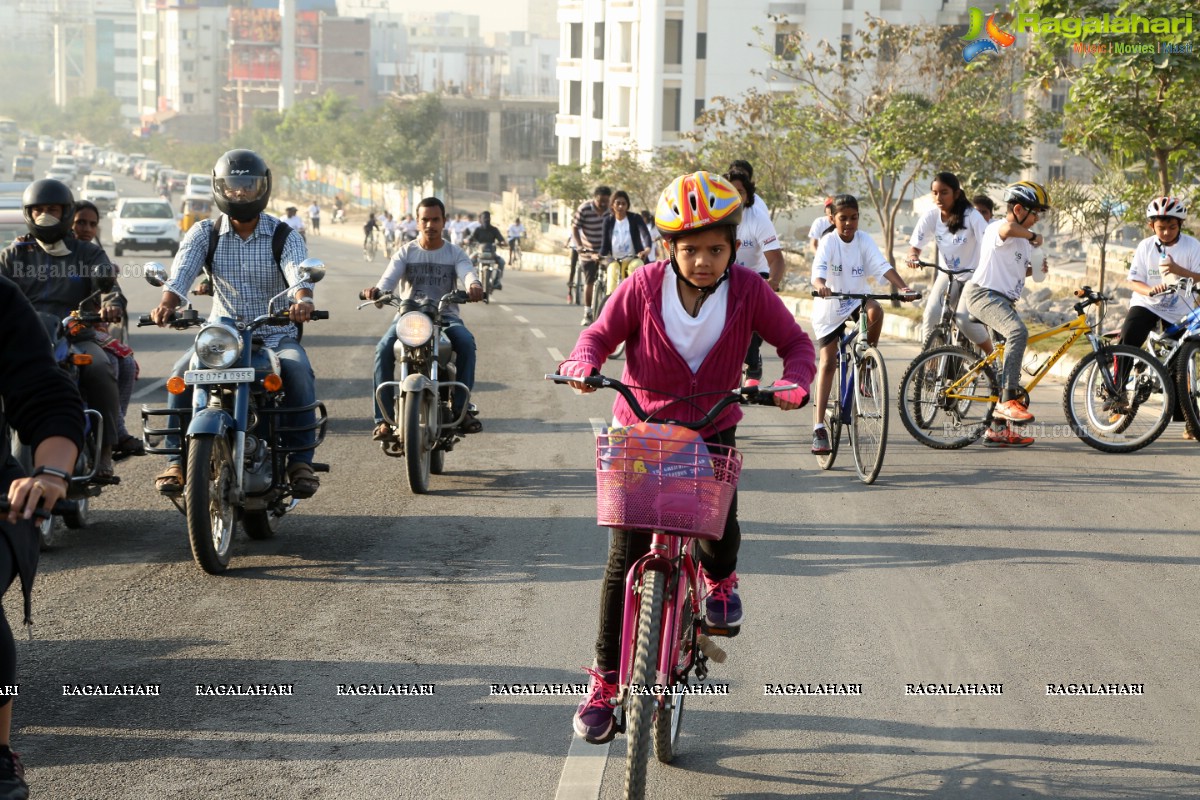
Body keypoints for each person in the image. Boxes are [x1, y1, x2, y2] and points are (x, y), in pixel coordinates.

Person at [558, 171, 815, 744]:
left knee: (718, 529)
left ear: (732, 247)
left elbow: (796, 343)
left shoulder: (750, 290)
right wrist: (583, 364)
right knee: (623, 557)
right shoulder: (642, 286)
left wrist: (795, 381)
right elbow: (598, 335)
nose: (704, 260)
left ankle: (720, 584)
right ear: (669, 248)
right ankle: (604, 681)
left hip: (711, 430)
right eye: (691, 249)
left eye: (716, 249)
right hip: (642, 435)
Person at [148, 149, 321, 497]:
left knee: (298, 369)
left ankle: (300, 460)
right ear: (219, 188)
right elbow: (181, 275)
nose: (240, 192)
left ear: (263, 188)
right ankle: (176, 462)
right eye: (233, 185)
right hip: (220, 339)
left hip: (274, 334)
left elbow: (297, 273)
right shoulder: (203, 234)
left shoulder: (283, 235)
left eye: (248, 185)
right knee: (180, 374)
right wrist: (166, 304)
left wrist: (302, 300)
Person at [1, 273, 86, 800]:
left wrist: (50, 474)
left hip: (3, 502)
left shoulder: (0, 301)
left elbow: (45, 397)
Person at [0, 179, 124, 482]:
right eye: (38, 210)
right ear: (28, 214)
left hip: (75, 335)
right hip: (24, 339)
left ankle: (105, 449)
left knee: (100, 367)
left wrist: (110, 303)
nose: (45, 215)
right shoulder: (12, 255)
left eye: (52, 210)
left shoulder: (87, 252)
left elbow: (107, 286)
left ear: (66, 212)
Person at [360, 197, 484, 439]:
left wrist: (475, 285)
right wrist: (376, 292)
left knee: (466, 342)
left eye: (435, 219)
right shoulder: (406, 252)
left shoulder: (454, 253)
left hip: (445, 318)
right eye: (425, 220)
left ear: (444, 221)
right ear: (417, 222)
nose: (430, 225)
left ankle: (462, 408)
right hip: (408, 316)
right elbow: (387, 281)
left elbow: (468, 273)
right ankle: (383, 420)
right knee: (383, 349)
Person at [810, 194, 915, 455]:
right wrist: (821, 286)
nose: (849, 223)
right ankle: (819, 428)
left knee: (876, 310)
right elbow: (817, 274)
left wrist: (903, 287)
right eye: (843, 218)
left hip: (856, 299)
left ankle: (866, 367)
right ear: (832, 219)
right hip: (831, 304)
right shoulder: (828, 242)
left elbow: (881, 266)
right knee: (828, 362)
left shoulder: (864, 240)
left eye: (853, 218)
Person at [964, 181, 1051, 447]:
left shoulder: (1024, 242)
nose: (1038, 219)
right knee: (1018, 332)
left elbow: (1028, 274)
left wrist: (1037, 266)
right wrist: (1033, 237)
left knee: (1002, 361)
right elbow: (1009, 228)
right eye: (1036, 212)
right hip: (983, 295)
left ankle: (997, 430)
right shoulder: (997, 228)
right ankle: (1007, 401)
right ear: (1018, 208)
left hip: (1002, 301)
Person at [1117, 197, 1200, 438]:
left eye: (1171, 227)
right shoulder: (1145, 246)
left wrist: (1177, 270)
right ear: (1151, 225)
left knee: (1179, 364)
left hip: (1179, 309)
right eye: (1161, 227)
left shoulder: (1192, 246)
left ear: (1180, 225)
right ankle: (1118, 393)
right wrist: (1149, 290)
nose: (1166, 232)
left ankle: (1189, 422)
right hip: (1147, 303)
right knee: (1128, 339)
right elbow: (1133, 280)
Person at [71, 200, 143, 461]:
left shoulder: (92, 254)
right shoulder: (27, 252)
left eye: (92, 224)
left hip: (82, 328)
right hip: (39, 328)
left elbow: (111, 289)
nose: (86, 228)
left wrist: (111, 304)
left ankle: (112, 435)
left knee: (119, 361)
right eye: (80, 222)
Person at [905, 172, 992, 353]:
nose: (938, 197)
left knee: (962, 319)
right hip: (947, 274)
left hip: (974, 276)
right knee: (931, 314)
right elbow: (914, 247)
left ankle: (994, 358)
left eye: (944, 192)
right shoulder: (931, 216)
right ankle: (928, 365)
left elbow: (990, 245)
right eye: (935, 193)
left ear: (957, 193)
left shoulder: (972, 216)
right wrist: (913, 257)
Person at [726, 168, 786, 388]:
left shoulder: (757, 217)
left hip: (755, 275)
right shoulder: (716, 216)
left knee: (751, 320)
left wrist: (772, 283)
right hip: (725, 275)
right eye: (729, 190)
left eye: (739, 191)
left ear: (747, 195)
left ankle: (753, 362)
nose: (734, 196)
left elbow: (777, 260)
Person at [599, 191, 652, 300]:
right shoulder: (608, 221)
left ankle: (635, 299)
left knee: (636, 267)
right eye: (618, 203)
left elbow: (646, 235)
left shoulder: (635, 218)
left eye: (624, 204)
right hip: (615, 259)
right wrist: (598, 255)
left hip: (633, 258)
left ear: (627, 205)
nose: (620, 206)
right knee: (613, 269)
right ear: (612, 205)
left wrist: (646, 250)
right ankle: (611, 301)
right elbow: (604, 246)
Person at [573, 185, 612, 325]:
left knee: (612, 280)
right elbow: (575, 227)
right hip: (587, 251)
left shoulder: (610, 210)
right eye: (601, 201)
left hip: (605, 251)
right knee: (589, 281)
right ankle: (588, 312)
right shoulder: (584, 208)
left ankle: (609, 311)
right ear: (594, 198)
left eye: (606, 201)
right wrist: (579, 246)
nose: (603, 204)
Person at [468, 211, 506, 289]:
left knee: (502, 262)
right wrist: (467, 240)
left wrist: (503, 242)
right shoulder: (478, 229)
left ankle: (496, 281)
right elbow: (470, 238)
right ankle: (472, 281)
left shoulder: (494, 229)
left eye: (488, 218)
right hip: (479, 253)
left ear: (490, 219)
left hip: (492, 254)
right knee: (469, 262)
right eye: (484, 218)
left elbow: (501, 239)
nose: (486, 220)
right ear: (481, 219)